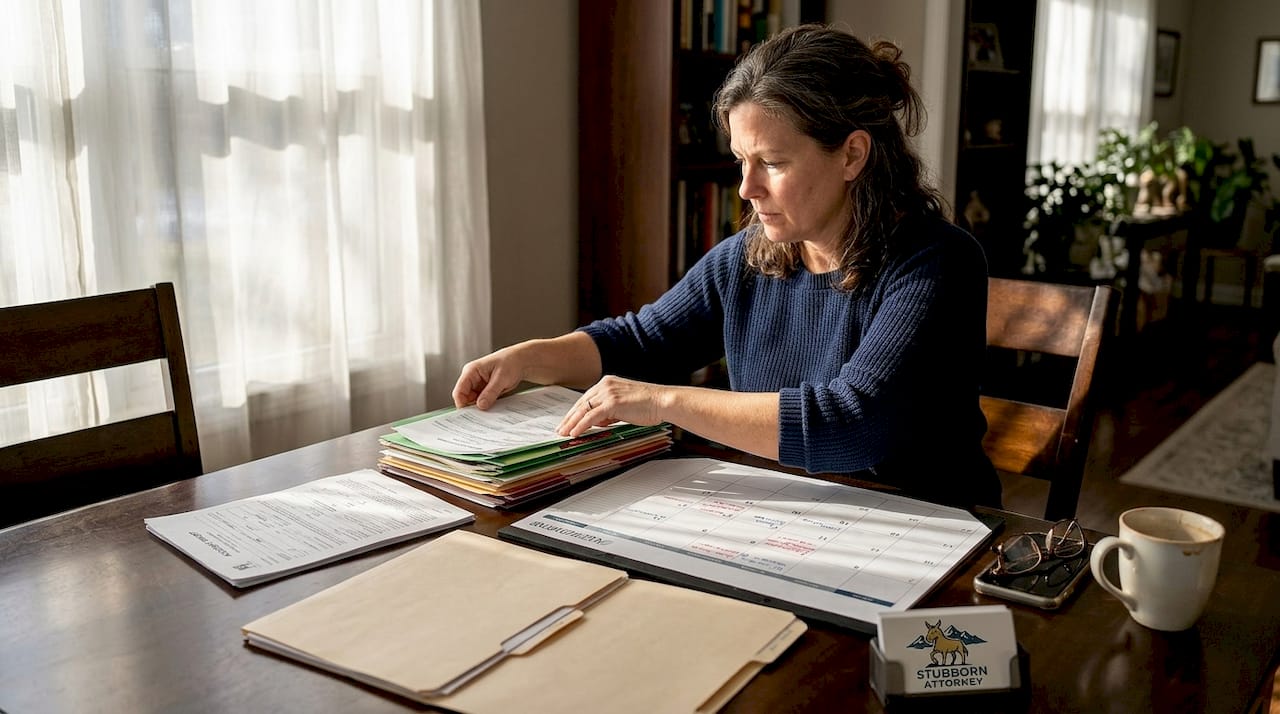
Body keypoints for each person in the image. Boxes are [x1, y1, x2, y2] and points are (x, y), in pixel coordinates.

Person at [453, 24, 999, 509]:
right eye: (742, 160)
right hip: (787, 511)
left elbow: (854, 424)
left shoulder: (938, 263)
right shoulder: (748, 256)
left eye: (773, 163)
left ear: (852, 155)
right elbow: (643, 343)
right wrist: (531, 358)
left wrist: (662, 401)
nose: (746, 188)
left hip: (928, 532)